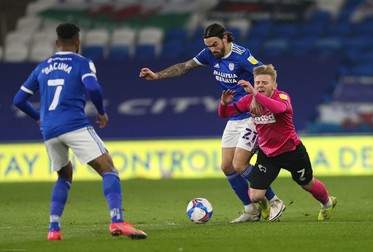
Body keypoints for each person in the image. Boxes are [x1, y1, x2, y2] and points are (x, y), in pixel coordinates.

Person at [13, 23, 147, 240]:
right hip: (73, 123)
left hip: (49, 129)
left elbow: (18, 100)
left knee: (64, 176)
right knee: (109, 169)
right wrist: (101, 112)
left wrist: (38, 117)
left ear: (57, 43)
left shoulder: (42, 67)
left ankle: (54, 229)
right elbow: (93, 87)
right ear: (77, 42)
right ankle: (117, 221)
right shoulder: (82, 62)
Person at [139, 23, 285, 222]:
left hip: (251, 116)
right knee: (227, 167)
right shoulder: (209, 54)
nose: (212, 49)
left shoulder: (242, 55)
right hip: (234, 116)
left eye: (215, 44)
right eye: (208, 46)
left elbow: (264, 75)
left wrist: (258, 97)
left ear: (225, 38)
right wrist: (157, 76)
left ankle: (275, 201)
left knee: (240, 164)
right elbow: (185, 67)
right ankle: (251, 210)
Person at [218, 64, 337, 221]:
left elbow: (279, 109)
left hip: (291, 152)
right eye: (257, 82)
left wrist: (255, 94)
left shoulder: (282, 97)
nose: (260, 85)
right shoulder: (249, 101)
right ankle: (270, 204)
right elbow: (224, 114)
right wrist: (224, 103)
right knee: (255, 196)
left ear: (274, 85)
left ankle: (327, 203)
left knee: (307, 184)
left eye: (265, 83)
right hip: (268, 154)